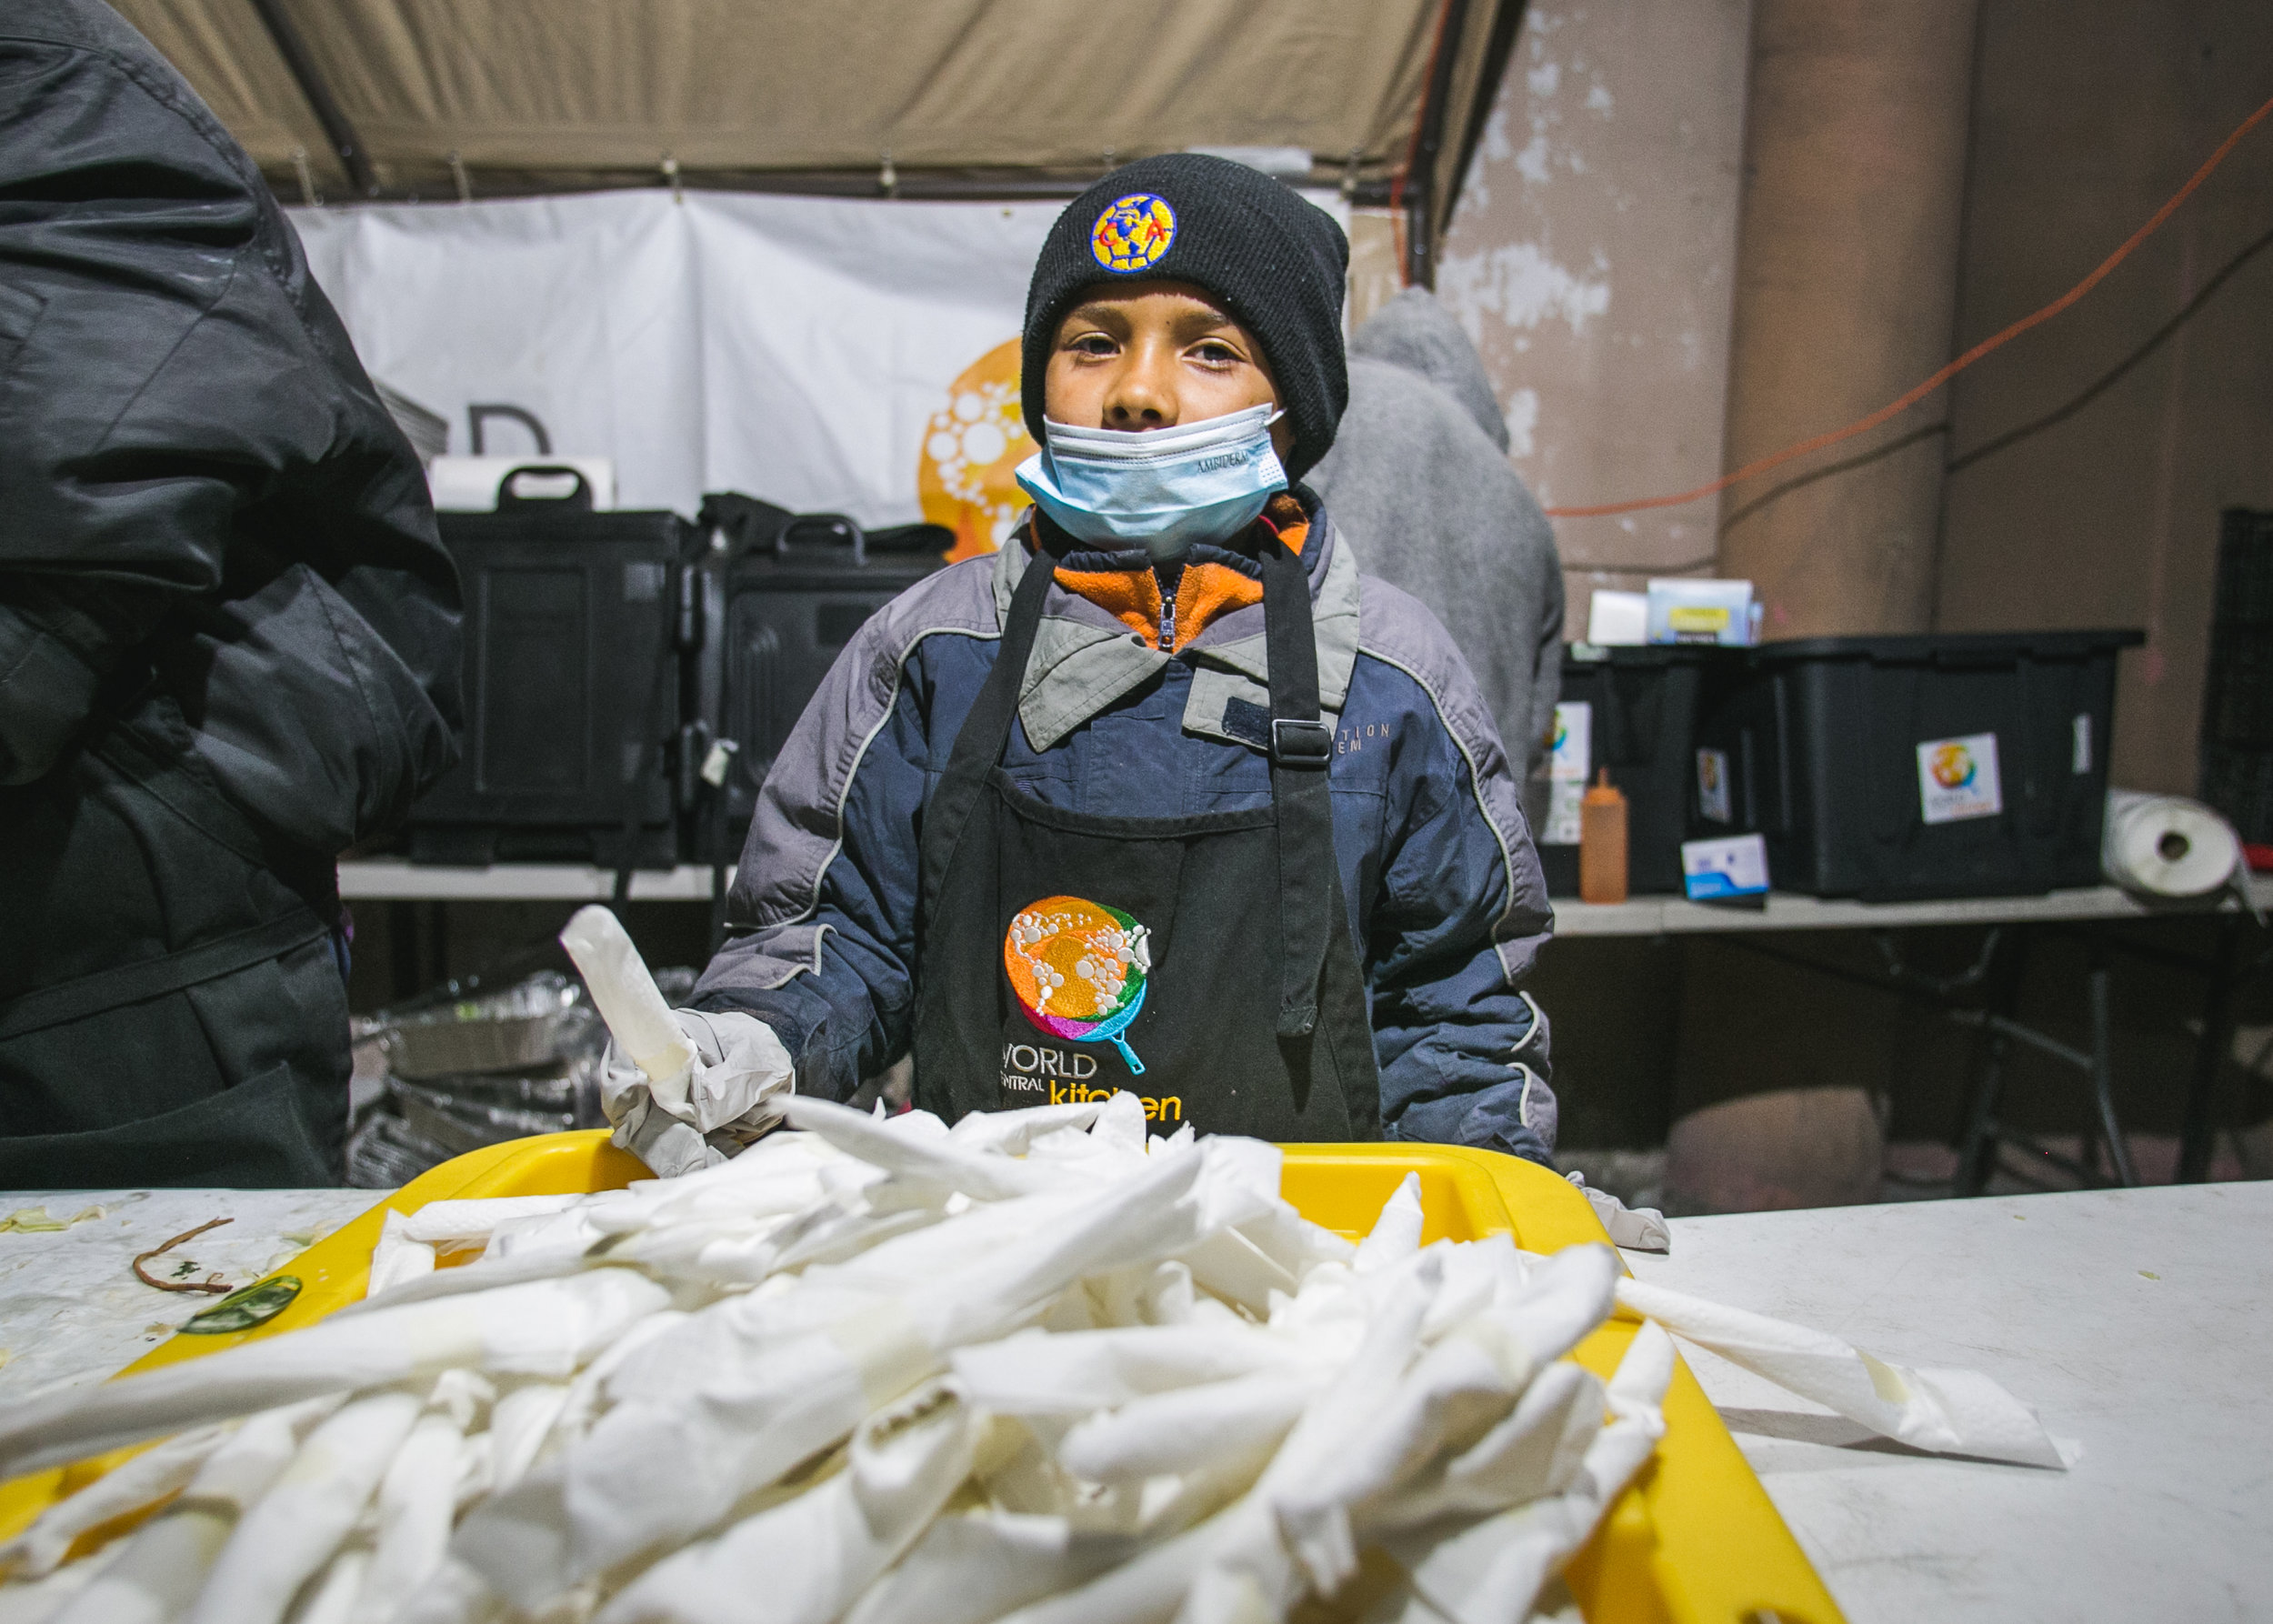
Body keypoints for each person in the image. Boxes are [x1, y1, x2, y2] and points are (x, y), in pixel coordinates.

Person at [606, 155, 1556, 1177]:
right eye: (1093, 344)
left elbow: (1456, 1008)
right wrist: (746, 1044)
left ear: (1295, 409)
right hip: (996, 1246)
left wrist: (1496, 1194)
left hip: (1301, 1266)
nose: (1138, 392)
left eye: (1209, 352)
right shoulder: (932, 651)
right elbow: (837, 935)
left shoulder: (1394, 683)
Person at [0, 0, 462, 1187]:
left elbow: (66, 483)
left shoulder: (47, 80)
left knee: (148, 1351)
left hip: (121, 945)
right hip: (106, 918)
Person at [1308, 288, 1565, 832]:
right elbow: (1539, 715)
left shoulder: (1325, 424)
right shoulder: (1522, 504)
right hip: (1475, 852)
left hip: (1323, 827)